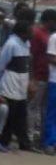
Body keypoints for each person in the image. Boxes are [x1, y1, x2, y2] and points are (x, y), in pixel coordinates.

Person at [0, 21, 35, 152]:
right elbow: (1, 64)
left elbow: (28, 62)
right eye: (30, 31)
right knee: (10, 114)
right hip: (11, 81)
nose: (32, 33)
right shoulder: (11, 44)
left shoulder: (27, 43)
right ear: (22, 33)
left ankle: (24, 143)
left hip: (22, 81)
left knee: (21, 115)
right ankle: (2, 141)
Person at [28, 9, 55, 150]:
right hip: (38, 75)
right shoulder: (38, 33)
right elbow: (31, 56)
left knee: (44, 110)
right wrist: (31, 78)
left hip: (48, 76)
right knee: (33, 107)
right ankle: (30, 137)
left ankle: (43, 139)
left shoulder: (49, 35)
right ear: (49, 21)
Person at [44, 19, 56, 155]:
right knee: (52, 113)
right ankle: (49, 142)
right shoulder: (54, 37)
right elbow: (51, 58)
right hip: (54, 80)